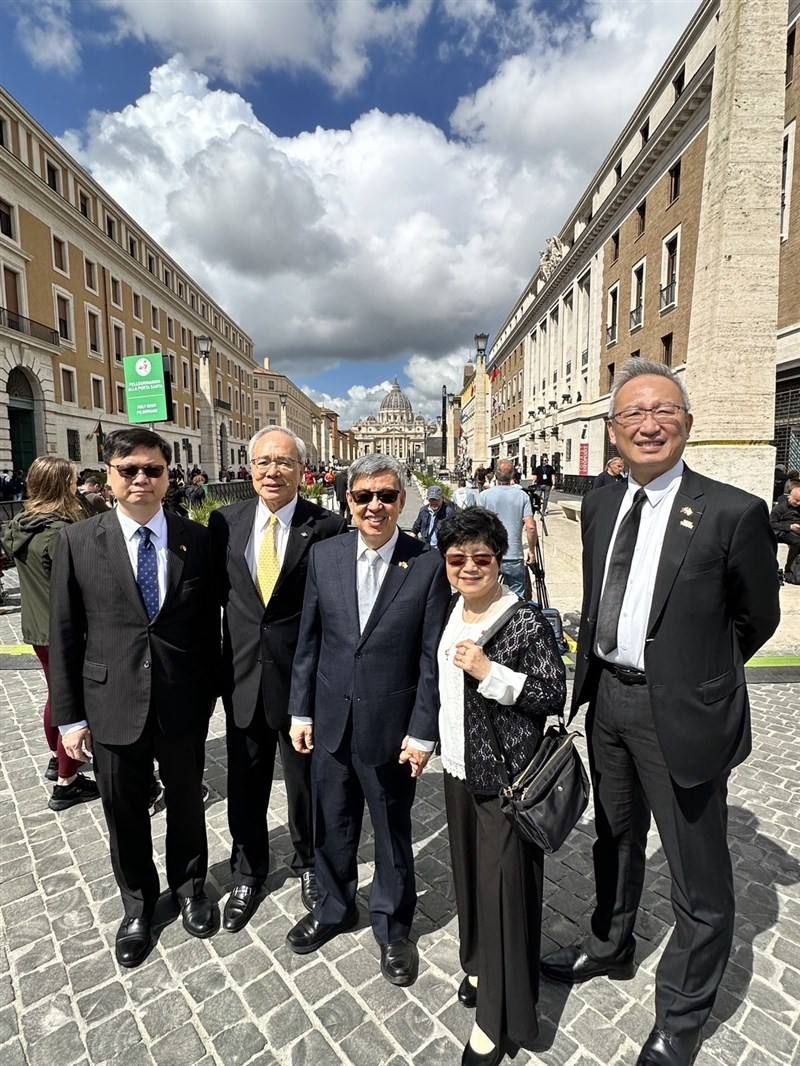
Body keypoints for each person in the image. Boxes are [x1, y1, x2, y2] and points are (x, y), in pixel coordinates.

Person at [540, 358, 780, 1066]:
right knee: (613, 837)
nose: (649, 424)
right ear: (613, 432)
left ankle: (680, 1018)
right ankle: (610, 946)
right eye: (633, 415)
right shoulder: (601, 504)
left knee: (696, 879)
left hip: (681, 712)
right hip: (606, 698)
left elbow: (755, 620)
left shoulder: (734, 513)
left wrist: (691, 670)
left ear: (687, 425)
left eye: (663, 411)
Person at [48, 427, 222, 969]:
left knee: (188, 804)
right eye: (129, 471)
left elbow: (212, 622)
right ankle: (138, 905)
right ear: (109, 478)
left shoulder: (197, 539)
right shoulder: (78, 541)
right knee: (124, 813)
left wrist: (210, 691)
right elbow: (64, 634)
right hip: (111, 700)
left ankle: (192, 886)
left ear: (169, 475)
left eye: (153, 469)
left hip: (181, 701)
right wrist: (71, 718)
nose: (142, 479)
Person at [285, 453, 451, 986]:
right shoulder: (325, 556)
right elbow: (308, 640)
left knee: (391, 831)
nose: (374, 506)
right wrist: (300, 709)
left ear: (403, 502)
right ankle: (335, 907)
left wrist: (424, 730)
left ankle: (393, 925)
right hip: (331, 717)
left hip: (392, 726)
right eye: (363, 497)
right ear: (348, 502)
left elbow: (431, 658)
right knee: (332, 823)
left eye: (386, 496)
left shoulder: (426, 563)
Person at [436, 508, 566, 1066]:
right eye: (457, 559)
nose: (469, 567)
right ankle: (482, 967)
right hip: (461, 771)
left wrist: (491, 672)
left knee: (502, 891)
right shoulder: (454, 610)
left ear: (499, 561)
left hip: (508, 779)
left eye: (481, 559)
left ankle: (500, 1017)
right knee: (471, 881)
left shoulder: (526, 621)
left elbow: (551, 694)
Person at [208, 428, 347, 932]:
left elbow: (337, 611)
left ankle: (309, 861)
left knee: (306, 784)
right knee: (244, 782)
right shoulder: (225, 522)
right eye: (264, 462)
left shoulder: (328, 527)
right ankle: (247, 871)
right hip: (243, 677)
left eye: (284, 463)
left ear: (302, 470)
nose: (273, 471)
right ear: (249, 468)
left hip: (302, 682)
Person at [0, 457, 100, 812]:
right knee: (73, 702)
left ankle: (58, 760)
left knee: (56, 696)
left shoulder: (20, 524)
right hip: (66, 629)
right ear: (63, 485)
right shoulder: (58, 532)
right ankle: (67, 783)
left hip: (37, 626)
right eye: (71, 481)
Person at [479, 459, 538, 597]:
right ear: (512, 474)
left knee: (487, 595)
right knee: (516, 595)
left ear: (495, 475)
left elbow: (478, 525)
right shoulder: (522, 496)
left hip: (490, 554)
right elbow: (531, 527)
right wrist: (531, 551)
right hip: (513, 554)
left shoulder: (484, 496)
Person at [769, 482, 800, 583]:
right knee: (797, 541)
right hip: (784, 532)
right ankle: (789, 569)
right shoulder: (780, 508)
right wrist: (790, 527)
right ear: (790, 497)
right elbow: (771, 524)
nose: (799, 503)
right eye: (797, 501)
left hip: (797, 530)